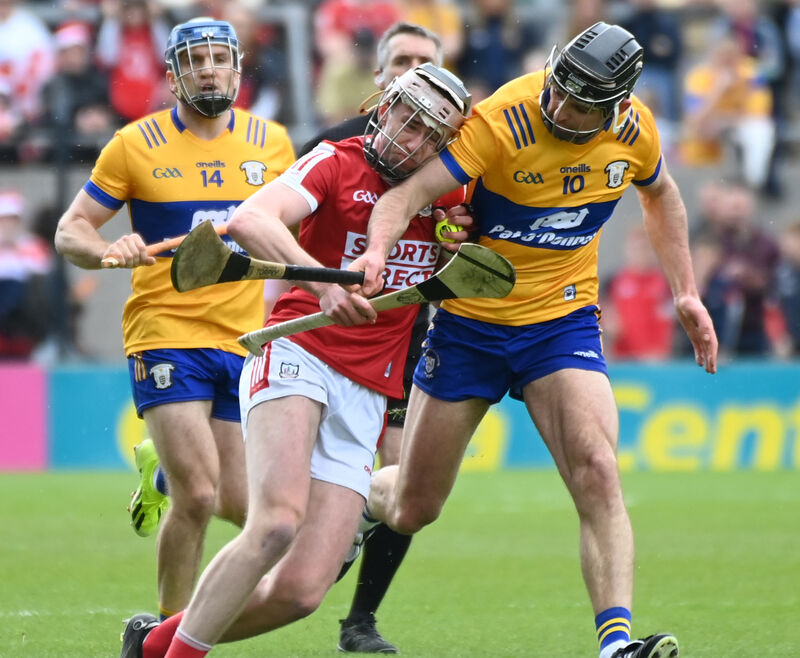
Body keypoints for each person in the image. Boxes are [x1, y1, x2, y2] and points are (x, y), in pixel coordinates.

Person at [350, 22, 718, 658]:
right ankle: (355, 499)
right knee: (412, 508)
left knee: (599, 472)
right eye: (559, 88)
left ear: (614, 105)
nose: (559, 105)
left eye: (579, 102)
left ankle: (615, 645)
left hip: (561, 321)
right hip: (469, 326)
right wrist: (378, 253)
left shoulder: (635, 131)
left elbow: (663, 196)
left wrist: (685, 290)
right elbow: (408, 195)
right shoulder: (501, 120)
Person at [117, 62, 472, 658]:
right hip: (297, 352)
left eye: (427, 135)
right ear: (380, 108)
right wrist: (326, 286)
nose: (408, 139)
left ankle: (152, 644)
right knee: (275, 523)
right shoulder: (336, 160)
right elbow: (251, 218)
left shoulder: (451, 196)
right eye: (405, 120)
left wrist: (463, 237)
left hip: (368, 390)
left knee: (302, 590)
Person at [54, 16, 296, 622]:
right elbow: (70, 231)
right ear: (171, 76)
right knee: (200, 495)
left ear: (239, 69)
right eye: (194, 61)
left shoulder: (273, 143)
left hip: (242, 338)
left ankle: (159, 476)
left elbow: (291, 233)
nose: (208, 70)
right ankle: (167, 635)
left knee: (244, 508)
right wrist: (112, 251)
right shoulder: (135, 144)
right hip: (165, 331)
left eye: (219, 59)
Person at [298, 21, 444, 653]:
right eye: (403, 60)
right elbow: (283, 233)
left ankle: (359, 621)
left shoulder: (456, 169)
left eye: (427, 61)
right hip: (320, 344)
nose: (414, 69)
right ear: (380, 78)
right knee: (259, 503)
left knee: (405, 487)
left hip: (406, 349)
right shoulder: (334, 147)